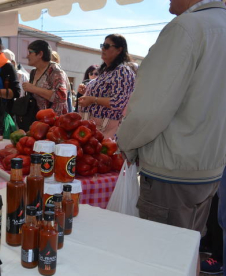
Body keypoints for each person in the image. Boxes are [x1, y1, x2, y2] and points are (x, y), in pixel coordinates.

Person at [116, 1, 226, 274]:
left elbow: (150, 109)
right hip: (210, 168)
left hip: (172, 170)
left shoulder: (187, 28)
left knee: (160, 260)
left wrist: (125, 144)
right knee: (189, 252)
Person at [78, 34, 135, 138]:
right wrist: (87, 91)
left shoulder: (122, 71)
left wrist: (92, 99)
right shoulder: (107, 71)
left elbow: (118, 102)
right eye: (102, 45)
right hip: (95, 128)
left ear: (119, 50)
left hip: (106, 131)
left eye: (107, 46)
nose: (103, 49)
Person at [22, 40, 68, 115]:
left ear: (40, 54)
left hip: (53, 122)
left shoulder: (55, 71)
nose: (27, 56)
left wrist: (33, 89)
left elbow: (61, 97)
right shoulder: (33, 72)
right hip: (37, 120)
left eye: (30, 52)